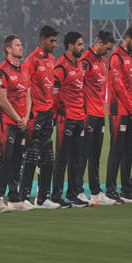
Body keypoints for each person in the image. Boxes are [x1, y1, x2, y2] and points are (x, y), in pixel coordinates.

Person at [0, 34, 32, 212]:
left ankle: (14, 196)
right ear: (8, 49)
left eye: (21, 44)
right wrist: (18, 118)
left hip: (21, 121)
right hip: (6, 121)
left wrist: (26, 117)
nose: (21, 47)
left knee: (18, 159)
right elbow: (2, 101)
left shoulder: (24, 69)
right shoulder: (1, 72)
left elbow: (28, 95)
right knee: (6, 158)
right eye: (17, 45)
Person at [21, 26, 60, 209]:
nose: (54, 44)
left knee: (48, 158)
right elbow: (26, 87)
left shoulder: (52, 59)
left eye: (55, 41)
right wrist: (29, 113)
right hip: (35, 113)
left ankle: (43, 198)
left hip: (47, 113)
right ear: (42, 40)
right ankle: (24, 197)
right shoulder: (31, 60)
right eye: (51, 41)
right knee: (31, 156)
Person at [106, 24, 132, 203]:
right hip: (119, 111)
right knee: (117, 150)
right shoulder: (116, 57)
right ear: (127, 37)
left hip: (131, 111)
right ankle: (111, 189)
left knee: (129, 150)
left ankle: (127, 189)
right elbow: (119, 88)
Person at [80, 31, 116, 205]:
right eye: (107, 48)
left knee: (95, 155)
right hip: (88, 114)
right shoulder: (85, 60)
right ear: (99, 42)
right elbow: (78, 87)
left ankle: (95, 191)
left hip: (100, 113)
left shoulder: (103, 61)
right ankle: (78, 190)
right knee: (83, 154)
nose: (108, 52)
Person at [52, 32, 87, 208]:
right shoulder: (61, 67)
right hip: (66, 119)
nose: (82, 47)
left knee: (77, 159)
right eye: (80, 44)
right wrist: (58, 113)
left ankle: (73, 194)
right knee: (62, 158)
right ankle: (56, 195)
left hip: (80, 117)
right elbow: (54, 94)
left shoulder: (80, 65)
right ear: (71, 46)